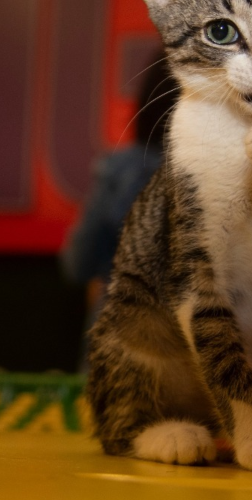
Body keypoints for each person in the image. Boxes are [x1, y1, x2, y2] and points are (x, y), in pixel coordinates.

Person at [60, 53, 178, 370]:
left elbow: (78, 264)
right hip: (201, 362)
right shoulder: (231, 178)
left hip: (118, 353)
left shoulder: (120, 172)